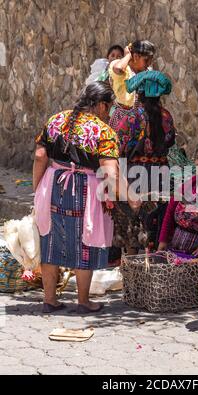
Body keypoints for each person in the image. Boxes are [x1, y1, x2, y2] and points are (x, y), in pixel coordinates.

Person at [33, 82, 124, 314]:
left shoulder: (55, 120)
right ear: (102, 105)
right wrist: (126, 197)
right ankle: (83, 302)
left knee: (50, 240)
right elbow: (110, 172)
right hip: (86, 190)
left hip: (53, 183)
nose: (109, 113)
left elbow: (40, 155)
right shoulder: (103, 131)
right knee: (85, 240)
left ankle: (49, 300)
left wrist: (38, 189)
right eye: (109, 107)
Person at [113, 70, 176, 253]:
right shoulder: (167, 116)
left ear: (139, 93)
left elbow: (119, 146)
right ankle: (154, 267)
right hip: (161, 173)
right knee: (155, 222)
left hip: (134, 174)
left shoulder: (131, 118)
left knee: (133, 225)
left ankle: (131, 269)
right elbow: (170, 141)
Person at [108, 40, 155, 131]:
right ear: (136, 57)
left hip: (139, 119)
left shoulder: (145, 72)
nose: (149, 64)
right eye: (146, 60)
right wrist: (128, 55)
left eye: (150, 60)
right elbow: (118, 69)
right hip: (121, 119)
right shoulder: (121, 66)